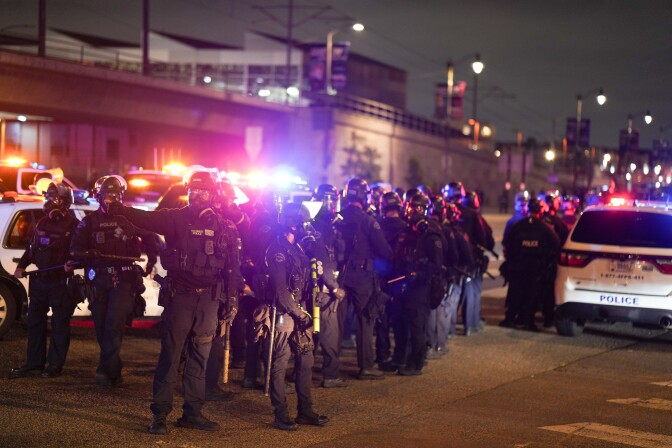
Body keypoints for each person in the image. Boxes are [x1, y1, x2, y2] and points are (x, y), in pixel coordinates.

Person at [107, 167, 240, 435]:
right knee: (170, 356)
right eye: (193, 190)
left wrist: (233, 300)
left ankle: (192, 413)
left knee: (200, 360)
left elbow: (232, 268)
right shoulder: (175, 220)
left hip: (209, 303)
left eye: (203, 191)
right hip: (180, 299)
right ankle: (160, 414)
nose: (197, 195)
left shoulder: (225, 226)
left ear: (212, 195)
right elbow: (144, 218)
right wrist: (120, 208)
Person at [70, 175, 156, 388]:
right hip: (98, 280)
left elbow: (152, 237)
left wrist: (151, 260)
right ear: (98, 197)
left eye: (114, 195)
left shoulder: (130, 218)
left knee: (113, 325)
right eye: (106, 196)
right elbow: (73, 250)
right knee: (101, 327)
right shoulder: (88, 222)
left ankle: (104, 370)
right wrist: (84, 254)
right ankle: (114, 369)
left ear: (120, 195)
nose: (110, 200)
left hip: (124, 279)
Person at [263, 202, 329, 430]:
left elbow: (308, 280)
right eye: (301, 222)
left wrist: (319, 294)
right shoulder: (277, 250)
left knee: (306, 362)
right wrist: (300, 314)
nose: (304, 226)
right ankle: (280, 413)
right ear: (290, 223)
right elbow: (281, 292)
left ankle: (305, 411)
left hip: (302, 313)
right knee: (280, 363)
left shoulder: (299, 250)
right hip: (285, 314)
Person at [10, 182, 79, 379]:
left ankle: (54, 366)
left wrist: (73, 263)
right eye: (47, 197)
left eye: (53, 198)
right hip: (40, 280)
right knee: (34, 323)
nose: (49, 202)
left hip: (61, 282)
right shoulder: (42, 222)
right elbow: (31, 249)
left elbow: (80, 252)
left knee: (59, 324)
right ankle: (34, 364)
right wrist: (22, 266)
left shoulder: (74, 225)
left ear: (65, 202)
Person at [336, 178, 392, 380]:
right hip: (362, 277)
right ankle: (366, 367)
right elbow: (385, 250)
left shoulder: (338, 218)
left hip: (339, 276)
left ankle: (330, 371)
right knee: (365, 321)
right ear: (364, 196)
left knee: (337, 323)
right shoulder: (368, 221)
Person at [394, 193, 443, 376]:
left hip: (421, 286)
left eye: (418, 208)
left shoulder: (431, 234)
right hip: (404, 284)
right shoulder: (407, 231)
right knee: (402, 323)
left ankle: (416, 363)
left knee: (417, 326)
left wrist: (419, 274)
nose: (414, 211)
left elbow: (436, 265)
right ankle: (401, 358)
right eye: (411, 207)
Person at [500, 197, 560, 331]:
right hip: (536, 267)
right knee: (531, 295)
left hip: (518, 266)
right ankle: (528, 322)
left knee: (515, 292)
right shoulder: (545, 228)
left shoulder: (518, 225)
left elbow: (507, 245)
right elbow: (556, 245)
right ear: (540, 211)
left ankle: (510, 318)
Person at [309, 184, 347, 388]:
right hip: (324, 291)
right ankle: (330, 376)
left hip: (315, 289)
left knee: (311, 335)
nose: (330, 204)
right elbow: (321, 260)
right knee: (330, 335)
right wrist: (333, 287)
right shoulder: (320, 227)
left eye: (333, 200)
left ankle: (304, 374)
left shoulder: (317, 224)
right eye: (328, 200)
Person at [376, 191, 408, 370]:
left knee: (382, 319)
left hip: (380, 278)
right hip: (400, 279)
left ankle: (382, 354)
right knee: (399, 320)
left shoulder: (377, 225)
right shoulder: (406, 227)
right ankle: (399, 356)